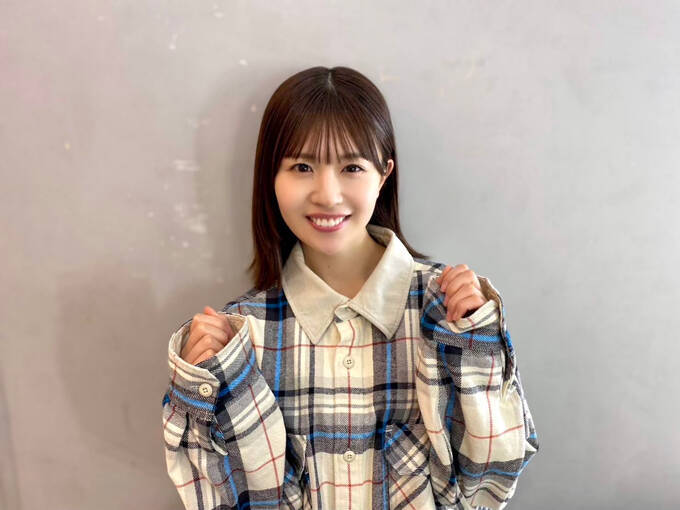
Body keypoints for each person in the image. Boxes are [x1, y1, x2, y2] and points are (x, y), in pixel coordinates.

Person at [161, 66, 539, 510]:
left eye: (352, 167)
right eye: (302, 167)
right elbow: (233, 499)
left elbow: (488, 484)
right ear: (271, 177)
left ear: (384, 174)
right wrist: (206, 385)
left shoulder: (448, 314)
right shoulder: (242, 338)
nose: (327, 194)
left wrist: (473, 345)